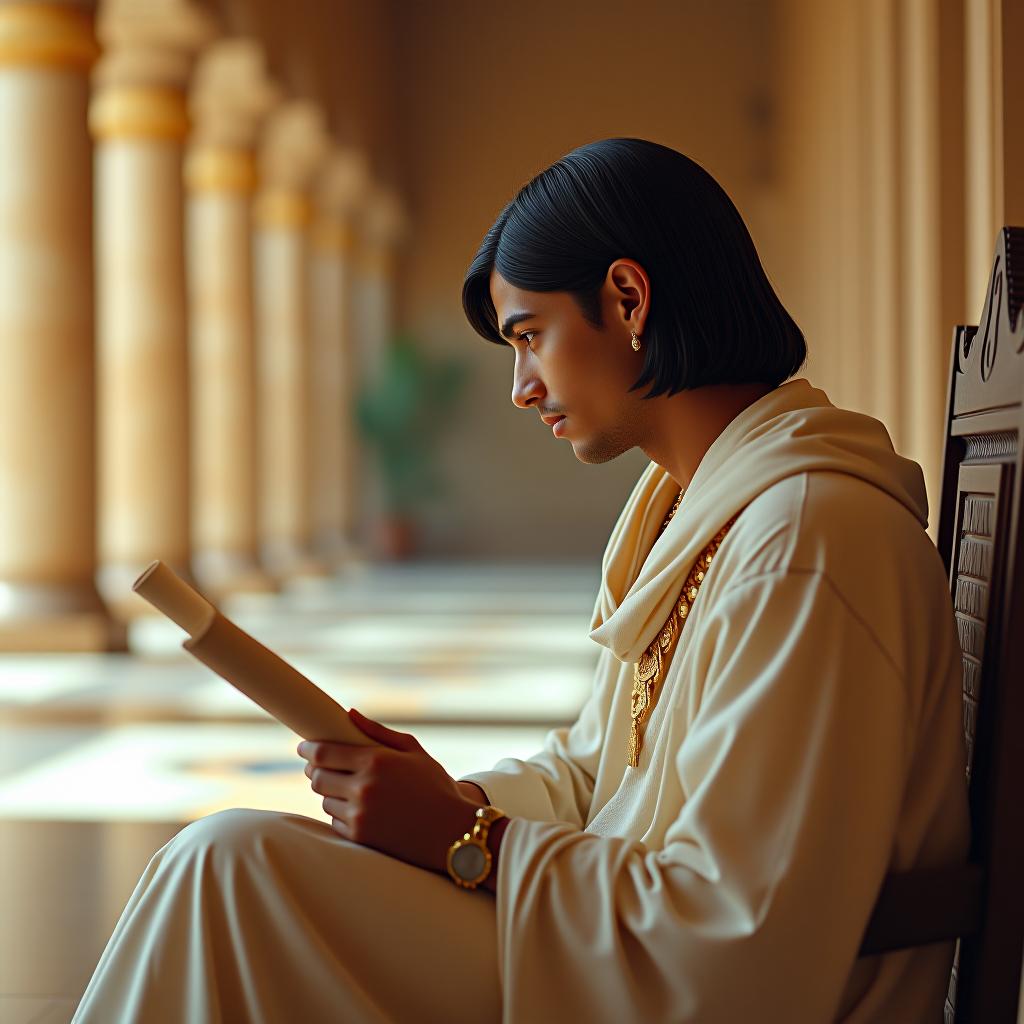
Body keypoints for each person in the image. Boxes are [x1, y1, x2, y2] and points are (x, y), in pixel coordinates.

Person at [73, 138, 969, 1023]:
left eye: (530, 337)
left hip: (678, 982)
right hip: (616, 941)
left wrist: (469, 844)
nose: (520, 387)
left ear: (627, 298)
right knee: (222, 864)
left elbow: (739, 940)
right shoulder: (702, 509)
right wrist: (460, 804)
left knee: (229, 867)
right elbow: (597, 776)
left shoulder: (805, 542)